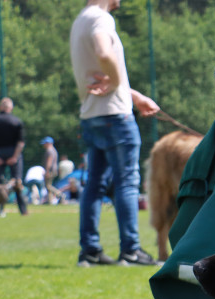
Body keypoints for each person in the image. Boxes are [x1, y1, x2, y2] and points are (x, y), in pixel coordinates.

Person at [70, 0, 161, 266]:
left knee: (94, 186)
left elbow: (101, 73)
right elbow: (104, 54)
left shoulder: (81, 20)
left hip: (92, 116)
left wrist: (134, 96)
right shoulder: (101, 19)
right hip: (115, 118)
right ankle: (131, 251)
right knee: (127, 183)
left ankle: (90, 251)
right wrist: (117, 81)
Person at [0, 97, 29, 217]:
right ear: (11, 108)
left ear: (0, 107)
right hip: (13, 152)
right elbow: (21, 143)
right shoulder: (16, 121)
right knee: (17, 182)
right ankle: (23, 211)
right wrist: (15, 157)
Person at [39, 136, 61, 204]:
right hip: (53, 170)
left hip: (50, 170)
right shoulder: (54, 150)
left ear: (48, 143)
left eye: (45, 143)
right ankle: (50, 201)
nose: (43, 145)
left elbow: (49, 162)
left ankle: (60, 194)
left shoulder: (49, 150)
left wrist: (47, 171)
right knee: (48, 186)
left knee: (48, 186)